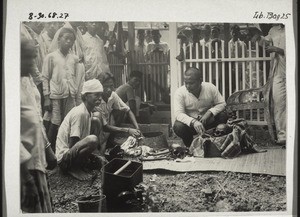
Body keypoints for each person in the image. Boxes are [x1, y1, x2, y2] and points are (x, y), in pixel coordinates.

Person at [20, 37, 53, 213]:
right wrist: (25, 177)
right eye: (27, 57)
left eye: (34, 57)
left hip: (37, 157)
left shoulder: (27, 79)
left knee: (44, 206)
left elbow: (36, 117)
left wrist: (47, 147)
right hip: (24, 166)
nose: (33, 62)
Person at [55, 79, 105, 181]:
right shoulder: (80, 113)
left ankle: (83, 163)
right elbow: (72, 143)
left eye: (101, 95)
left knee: (96, 121)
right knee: (93, 139)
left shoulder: (88, 112)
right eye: (96, 95)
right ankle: (74, 169)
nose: (100, 98)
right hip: (64, 159)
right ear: (86, 96)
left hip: (73, 152)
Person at [42, 28, 80, 152]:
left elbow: (75, 77)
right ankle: (48, 152)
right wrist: (47, 97)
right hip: (55, 95)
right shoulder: (51, 57)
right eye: (66, 39)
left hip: (70, 95)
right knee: (55, 123)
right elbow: (45, 77)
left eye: (71, 40)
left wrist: (75, 95)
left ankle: (65, 150)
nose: (68, 42)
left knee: (69, 122)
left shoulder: (74, 58)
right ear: (59, 40)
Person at [173, 67, 227, 147]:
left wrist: (210, 112)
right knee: (178, 126)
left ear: (200, 81)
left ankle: (215, 143)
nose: (187, 86)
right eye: (186, 83)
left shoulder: (210, 87)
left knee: (223, 115)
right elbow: (178, 113)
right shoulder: (180, 92)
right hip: (191, 126)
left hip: (209, 122)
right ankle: (190, 146)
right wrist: (193, 122)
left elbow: (222, 103)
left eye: (191, 83)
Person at [252, 24, 286, 145]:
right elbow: (266, 42)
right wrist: (257, 37)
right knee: (279, 103)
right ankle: (283, 136)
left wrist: (278, 50)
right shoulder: (273, 30)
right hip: (278, 72)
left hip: (293, 70)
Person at [93, 72, 141, 153]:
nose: (109, 89)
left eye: (111, 86)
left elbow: (128, 110)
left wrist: (137, 128)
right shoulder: (97, 101)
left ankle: (106, 147)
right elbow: (105, 127)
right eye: (105, 86)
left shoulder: (113, 95)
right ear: (100, 87)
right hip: (95, 130)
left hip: (105, 126)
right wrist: (128, 130)